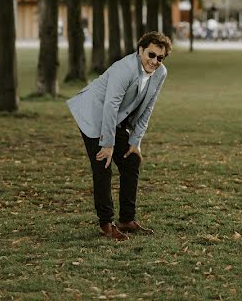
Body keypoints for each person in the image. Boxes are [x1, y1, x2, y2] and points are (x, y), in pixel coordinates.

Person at [66, 31, 171, 241]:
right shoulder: (124, 68)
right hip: (94, 113)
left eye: (160, 57)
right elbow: (110, 105)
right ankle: (106, 223)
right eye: (151, 55)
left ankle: (127, 220)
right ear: (141, 50)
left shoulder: (160, 73)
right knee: (103, 165)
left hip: (116, 117)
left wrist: (135, 141)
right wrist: (107, 143)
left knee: (131, 160)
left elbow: (148, 107)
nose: (155, 61)